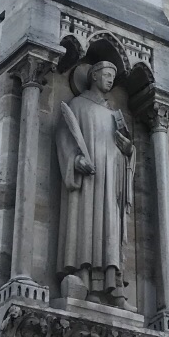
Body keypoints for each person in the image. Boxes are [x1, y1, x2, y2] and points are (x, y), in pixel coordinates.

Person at [55, 61, 134, 304]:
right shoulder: (77, 106)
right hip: (89, 181)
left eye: (113, 76)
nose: (110, 80)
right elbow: (64, 138)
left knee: (110, 228)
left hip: (112, 180)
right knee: (87, 228)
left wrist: (129, 150)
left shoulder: (114, 114)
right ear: (93, 76)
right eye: (106, 75)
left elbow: (125, 149)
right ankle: (86, 283)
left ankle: (113, 286)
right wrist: (76, 161)